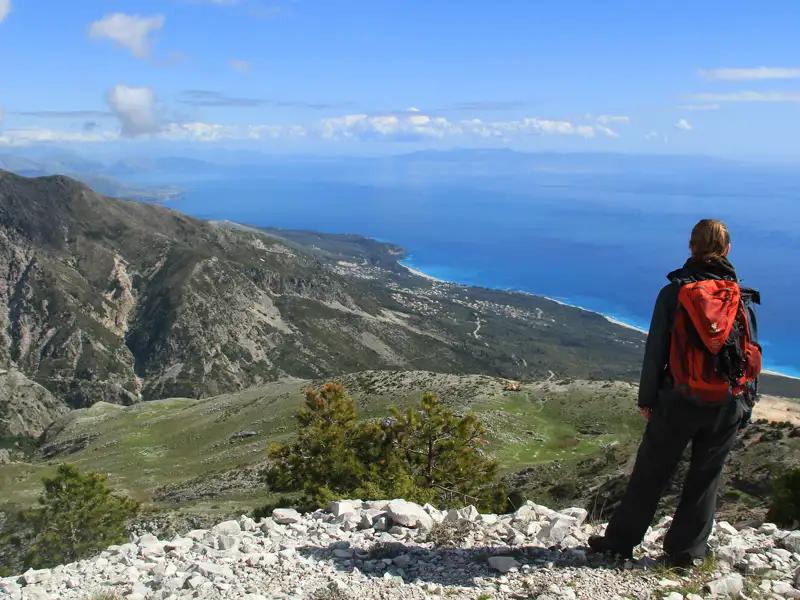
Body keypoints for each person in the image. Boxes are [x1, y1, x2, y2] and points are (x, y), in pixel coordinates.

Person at [588, 218, 762, 568]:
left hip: (678, 399)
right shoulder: (738, 297)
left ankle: (618, 544)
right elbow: (751, 352)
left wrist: (647, 399)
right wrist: (746, 405)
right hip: (727, 402)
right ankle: (686, 552)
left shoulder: (674, 293)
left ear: (691, 247)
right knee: (705, 477)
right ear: (727, 250)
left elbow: (656, 351)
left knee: (651, 472)